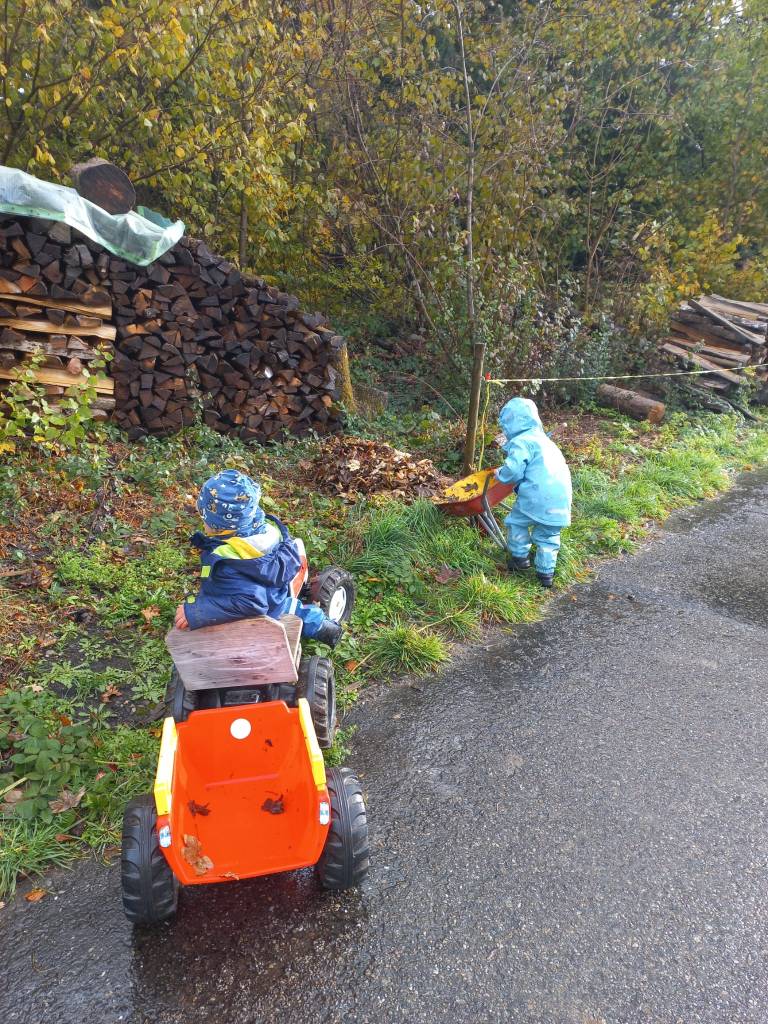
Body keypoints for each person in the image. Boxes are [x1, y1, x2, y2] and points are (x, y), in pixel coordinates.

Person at [173, 469, 342, 646]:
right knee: (292, 608)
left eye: (204, 517)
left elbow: (252, 602)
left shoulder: (228, 563)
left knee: (285, 612)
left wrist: (198, 611)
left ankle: (325, 629)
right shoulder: (263, 530)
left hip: (260, 613)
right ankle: (324, 626)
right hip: (272, 592)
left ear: (219, 526)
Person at [495, 397, 572, 588]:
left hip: (537, 496)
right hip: (561, 498)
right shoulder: (544, 440)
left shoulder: (522, 441)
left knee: (517, 522)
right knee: (548, 536)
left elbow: (513, 471)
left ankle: (519, 558)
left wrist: (500, 474)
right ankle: (546, 574)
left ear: (510, 423)